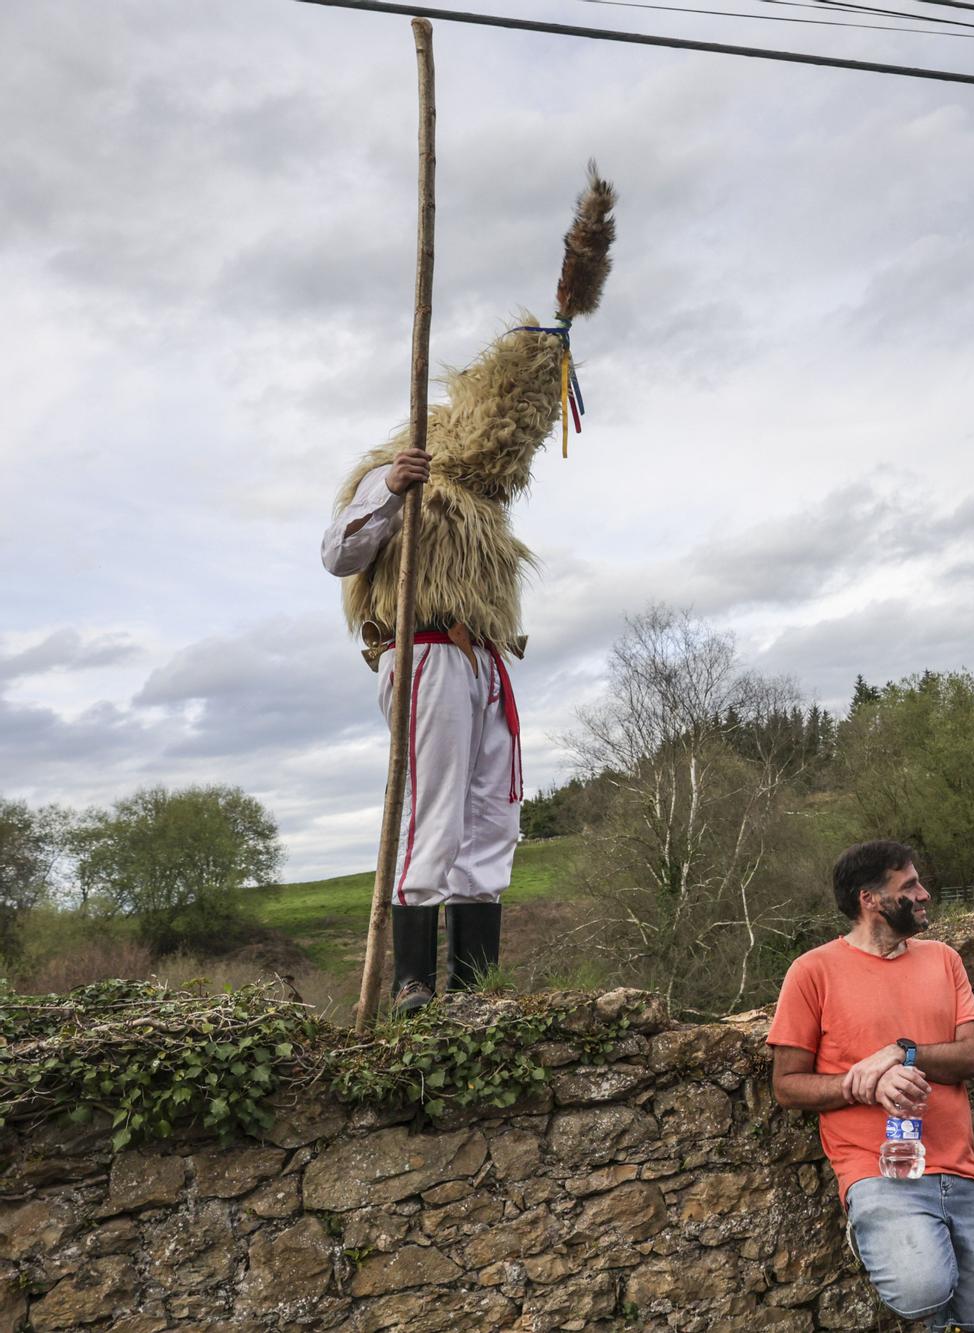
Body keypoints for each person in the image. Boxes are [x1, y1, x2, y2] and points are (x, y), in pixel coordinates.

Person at [324, 169, 617, 1015]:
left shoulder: (485, 507)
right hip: (426, 656)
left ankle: (472, 985)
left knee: (494, 817)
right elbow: (338, 556)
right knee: (440, 809)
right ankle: (415, 982)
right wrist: (390, 486)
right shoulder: (403, 477)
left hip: (484, 660)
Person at [768, 841, 974, 1331]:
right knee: (924, 1289)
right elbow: (787, 1087)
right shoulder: (812, 972)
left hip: (958, 1167)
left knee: (968, 1323)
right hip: (878, 1171)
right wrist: (866, 1085)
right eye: (909, 886)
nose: (925, 894)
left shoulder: (943, 959)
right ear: (869, 898)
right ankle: (867, 1228)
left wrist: (902, 1052)